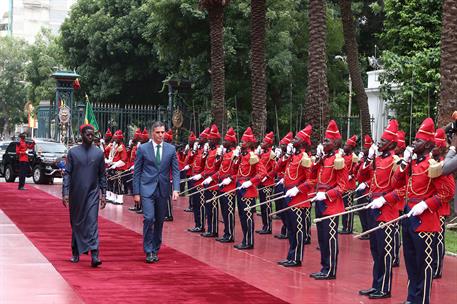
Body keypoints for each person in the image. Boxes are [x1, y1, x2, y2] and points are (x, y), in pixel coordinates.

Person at [381, 118, 451, 304]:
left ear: (428, 144)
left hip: (425, 220)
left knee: (424, 264)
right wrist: (404, 163)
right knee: (410, 262)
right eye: (414, 140)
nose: (413, 143)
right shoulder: (412, 164)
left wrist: (426, 204)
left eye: (418, 141)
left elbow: (447, 192)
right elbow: (396, 182)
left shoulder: (433, 165)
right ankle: (412, 298)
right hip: (409, 215)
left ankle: (422, 300)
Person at [357, 119, 400, 299]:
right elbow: (361, 175)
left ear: (391, 143)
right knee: (375, 250)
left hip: (387, 211)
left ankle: (384, 287)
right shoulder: (378, 159)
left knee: (385, 251)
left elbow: (402, 189)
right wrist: (368, 159)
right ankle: (376, 284)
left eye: (382, 141)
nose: (379, 143)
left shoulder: (395, 161)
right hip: (374, 208)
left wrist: (384, 199)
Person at [305, 120, 347, 280]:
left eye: (327, 141)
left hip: (331, 203)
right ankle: (324, 267)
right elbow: (312, 175)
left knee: (330, 238)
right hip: (320, 201)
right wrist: (318, 159)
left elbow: (342, 186)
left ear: (335, 142)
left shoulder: (338, 160)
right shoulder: (324, 159)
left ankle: (331, 270)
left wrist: (327, 194)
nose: (323, 143)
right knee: (322, 238)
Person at [132, 121, 180, 263]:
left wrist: (176, 188)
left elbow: (175, 171)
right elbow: (137, 171)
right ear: (153, 133)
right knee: (149, 218)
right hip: (146, 188)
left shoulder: (171, 149)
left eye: (163, 132)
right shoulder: (143, 149)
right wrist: (136, 192)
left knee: (159, 220)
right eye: (158, 132)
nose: (161, 135)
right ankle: (148, 250)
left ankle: (155, 249)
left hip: (163, 189)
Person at [62, 124, 107, 267]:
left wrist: (104, 194)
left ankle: (95, 254)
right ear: (82, 135)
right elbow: (67, 174)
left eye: (92, 134)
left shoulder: (99, 153)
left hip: (93, 194)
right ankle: (75, 252)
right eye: (88, 134)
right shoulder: (73, 153)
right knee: (77, 223)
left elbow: (102, 175)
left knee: (92, 222)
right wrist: (65, 193)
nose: (91, 136)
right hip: (76, 194)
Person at [281, 125, 314, 267]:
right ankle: (290, 255)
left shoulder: (304, 158)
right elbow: (279, 168)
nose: (292, 140)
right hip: (288, 195)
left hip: (298, 198)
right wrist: (287, 155)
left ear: (302, 142)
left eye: (296, 138)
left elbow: (311, 180)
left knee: (298, 229)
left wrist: (297, 189)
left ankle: (297, 257)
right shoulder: (293, 156)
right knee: (290, 228)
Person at [234, 127, 267, 250]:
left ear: (248, 143)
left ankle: (249, 241)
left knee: (247, 217)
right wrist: (236, 158)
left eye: (243, 142)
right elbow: (235, 170)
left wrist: (250, 182)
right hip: (240, 188)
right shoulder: (243, 155)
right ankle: (245, 239)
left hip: (248, 191)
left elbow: (262, 173)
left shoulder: (252, 156)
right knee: (242, 216)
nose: (241, 143)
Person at [256, 132, 275, 235]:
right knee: (263, 205)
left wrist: (267, 176)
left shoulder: (271, 154)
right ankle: (265, 225)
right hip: (261, 182)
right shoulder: (263, 153)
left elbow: (275, 169)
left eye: (264, 142)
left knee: (267, 205)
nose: (262, 143)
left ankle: (268, 227)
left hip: (267, 183)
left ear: (268, 144)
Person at [340, 135, 358, 234]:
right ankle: (344, 226)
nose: (344, 146)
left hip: (349, 186)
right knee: (343, 208)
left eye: (346, 145)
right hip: (343, 186)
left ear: (351, 147)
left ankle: (348, 227)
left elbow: (356, 168)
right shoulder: (342, 156)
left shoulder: (354, 157)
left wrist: (352, 175)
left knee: (349, 208)